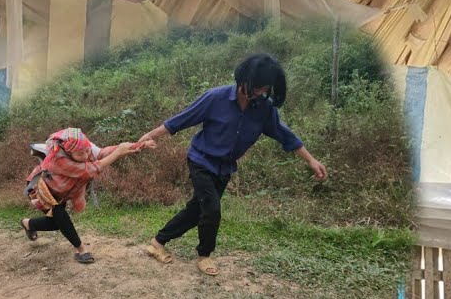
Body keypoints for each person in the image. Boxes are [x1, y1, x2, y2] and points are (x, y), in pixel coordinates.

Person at [137, 52, 328, 276]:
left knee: (197, 208)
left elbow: (285, 135)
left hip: (225, 167)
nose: (261, 93)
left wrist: (311, 160)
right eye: (258, 87)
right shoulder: (215, 98)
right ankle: (204, 254)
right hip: (201, 160)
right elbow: (180, 120)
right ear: (244, 79)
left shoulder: (264, 109)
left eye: (266, 89)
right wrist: (148, 136)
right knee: (211, 209)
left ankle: (157, 242)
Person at [21, 127, 151, 263]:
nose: (85, 156)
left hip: (60, 192)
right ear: (67, 152)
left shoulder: (83, 146)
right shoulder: (58, 160)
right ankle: (81, 250)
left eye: (87, 151)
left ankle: (28, 224)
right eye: (79, 154)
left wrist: (138, 145)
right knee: (62, 218)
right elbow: (92, 169)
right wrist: (118, 152)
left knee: (56, 223)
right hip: (44, 190)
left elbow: (102, 153)